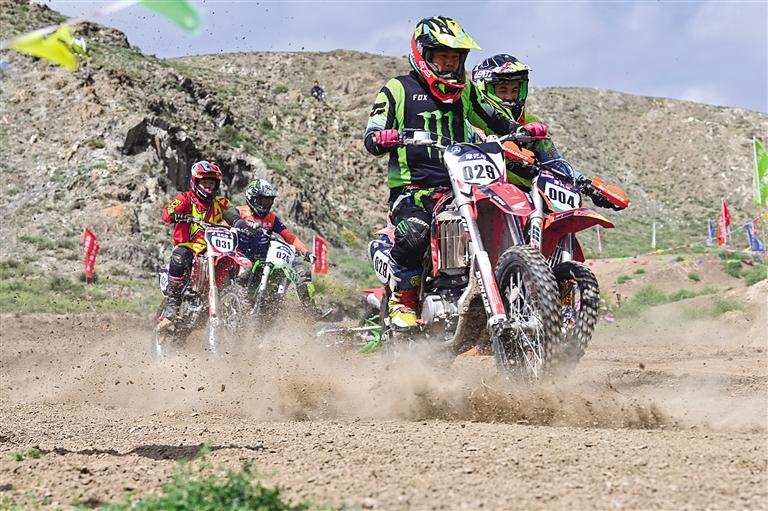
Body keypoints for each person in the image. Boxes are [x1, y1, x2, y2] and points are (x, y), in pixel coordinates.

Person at [363, 16, 542, 329]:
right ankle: (402, 300)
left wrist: (521, 130)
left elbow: (495, 119)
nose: (449, 63)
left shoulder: (466, 93)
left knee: (501, 214)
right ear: (424, 55)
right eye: (442, 56)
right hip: (414, 189)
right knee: (415, 231)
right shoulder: (398, 89)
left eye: (455, 57)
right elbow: (372, 134)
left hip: (463, 183)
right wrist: (383, 137)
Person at [471, 53, 618, 210]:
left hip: (526, 198)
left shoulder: (531, 123)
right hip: (481, 194)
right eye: (503, 90)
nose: (510, 97)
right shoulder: (471, 120)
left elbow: (554, 162)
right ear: (484, 90)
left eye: (515, 90)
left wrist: (587, 185)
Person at [158, 161, 240, 328]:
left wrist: (242, 224)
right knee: (180, 256)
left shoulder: (221, 202)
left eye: (211, 183)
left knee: (233, 261)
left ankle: (229, 298)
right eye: (205, 182)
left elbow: (233, 215)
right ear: (196, 182)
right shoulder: (185, 198)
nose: (208, 186)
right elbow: (167, 212)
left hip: (215, 249)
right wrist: (176, 215)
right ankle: (173, 304)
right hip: (189, 245)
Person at [233, 179, 317, 312]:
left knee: (302, 271)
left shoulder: (272, 218)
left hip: (267, 256)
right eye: (262, 200)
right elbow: (225, 225)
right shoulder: (239, 212)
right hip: (242, 254)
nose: (265, 205)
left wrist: (306, 252)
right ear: (252, 198)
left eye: (268, 201)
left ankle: (309, 307)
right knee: (244, 273)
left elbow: (288, 235)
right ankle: (234, 298)